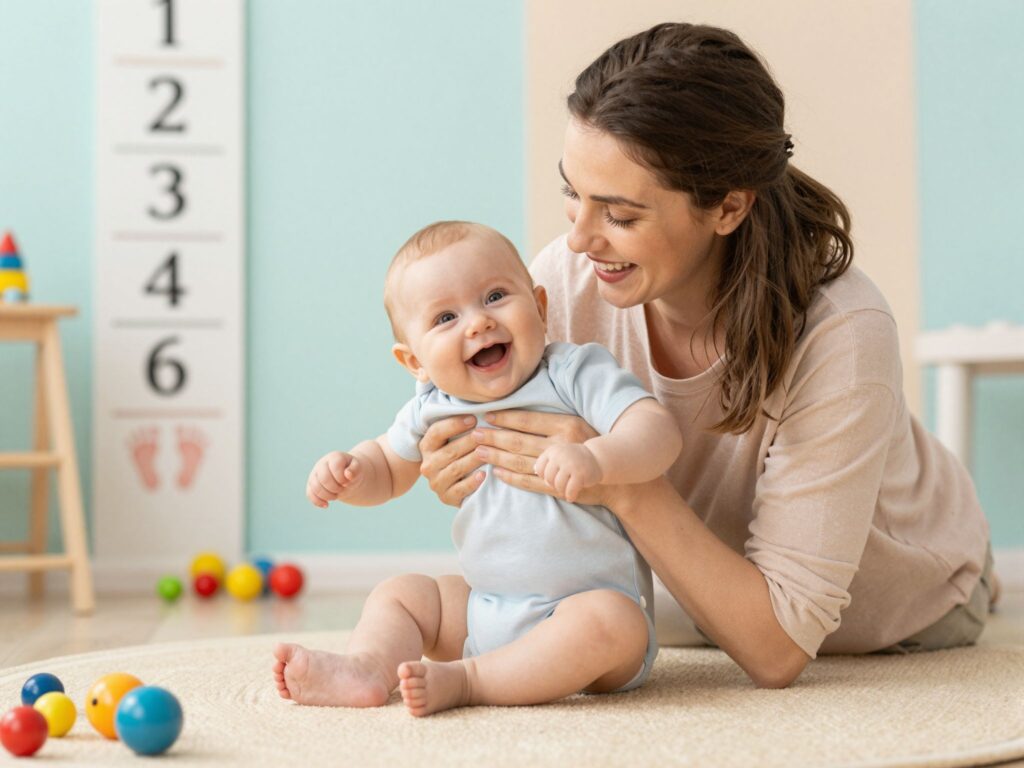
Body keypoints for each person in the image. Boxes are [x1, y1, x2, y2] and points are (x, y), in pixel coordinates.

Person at [417, 22, 995, 689]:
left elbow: (778, 651)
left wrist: (620, 482)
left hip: (902, 601)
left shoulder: (842, 329)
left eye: (620, 215)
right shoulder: (567, 284)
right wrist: (468, 454)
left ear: (728, 207)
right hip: (705, 589)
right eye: (573, 194)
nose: (577, 241)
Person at [272, 220, 682, 715]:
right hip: (486, 610)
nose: (478, 323)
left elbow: (657, 431)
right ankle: (368, 668)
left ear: (541, 307)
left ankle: (470, 681)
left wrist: (597, 457)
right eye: (445, 318)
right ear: (414, 362)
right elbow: (388, 466)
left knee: (615, 622)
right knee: (402, 595)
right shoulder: (431, 405)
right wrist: (351, 471)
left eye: (494, 297)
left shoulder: (572, 373)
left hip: (585, 616)